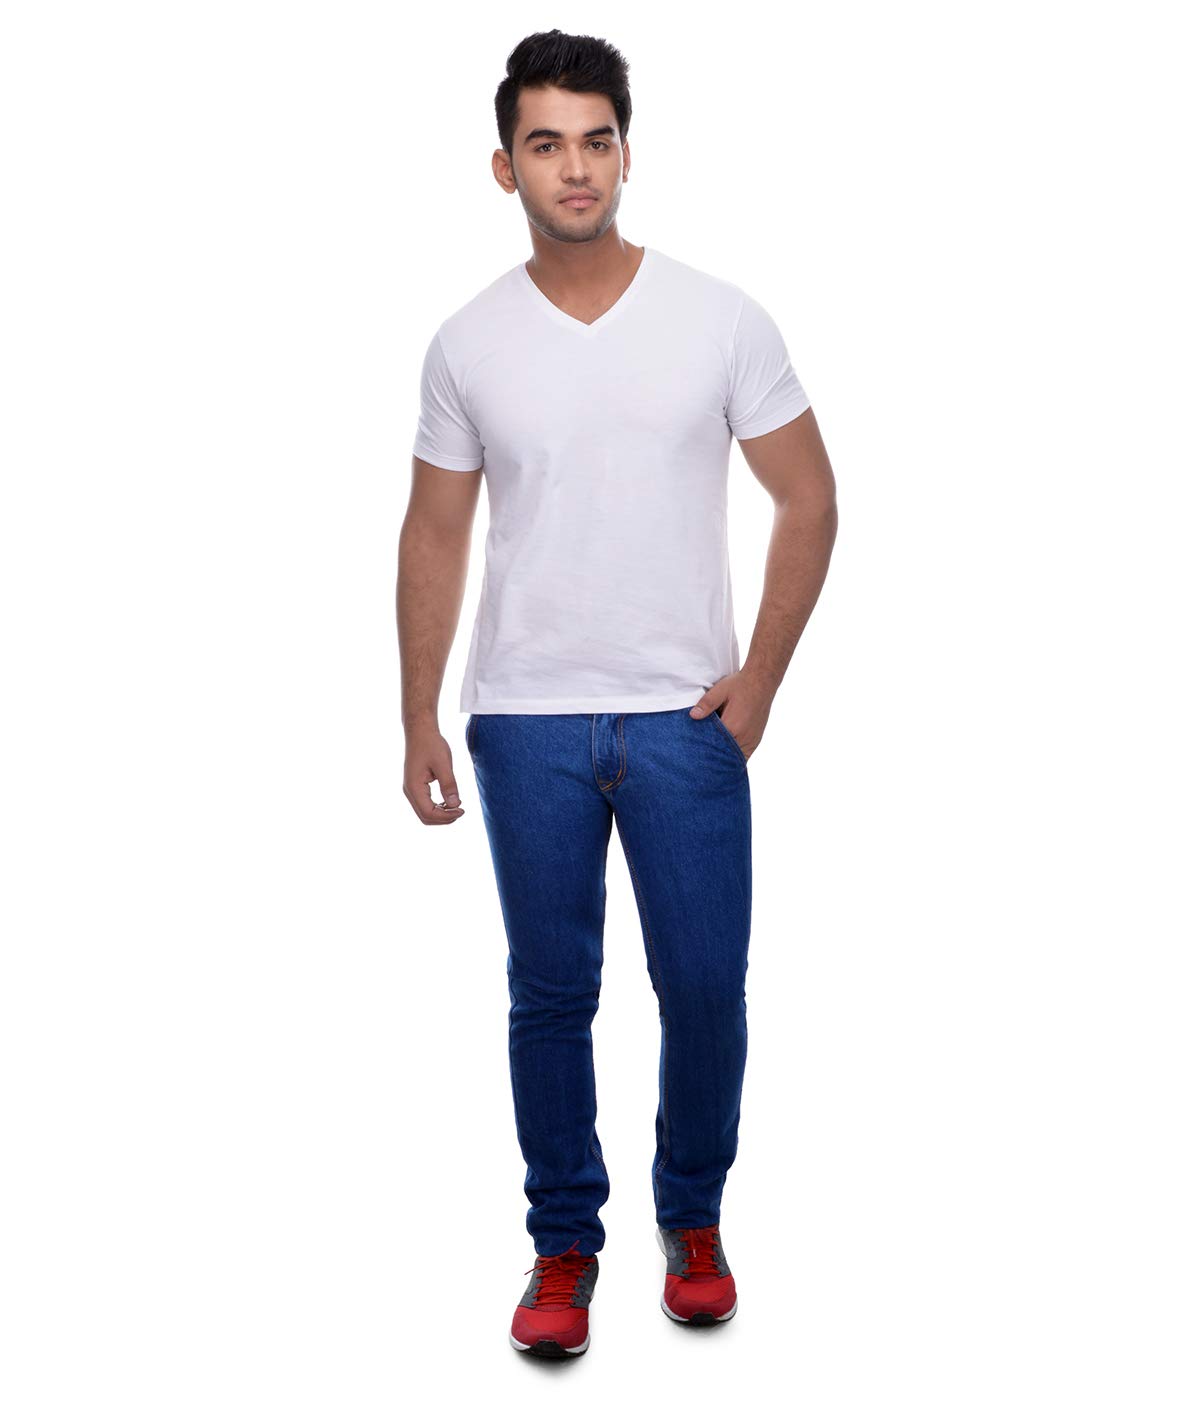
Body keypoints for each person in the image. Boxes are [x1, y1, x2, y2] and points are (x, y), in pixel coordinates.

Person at [396, 29, 837, 1357]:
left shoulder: (720, 319)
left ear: (627, 154)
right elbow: (434, 531)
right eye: (547, 144)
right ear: (506, 166)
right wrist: (418, 714)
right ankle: (563, 1241)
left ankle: (692, 1216)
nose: (576, 168)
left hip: (685, 718)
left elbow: (809, 497)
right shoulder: (468, 342)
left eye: (597, 141)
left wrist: (760, 683)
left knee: (704, 987)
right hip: (524, 718)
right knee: (550, 994)